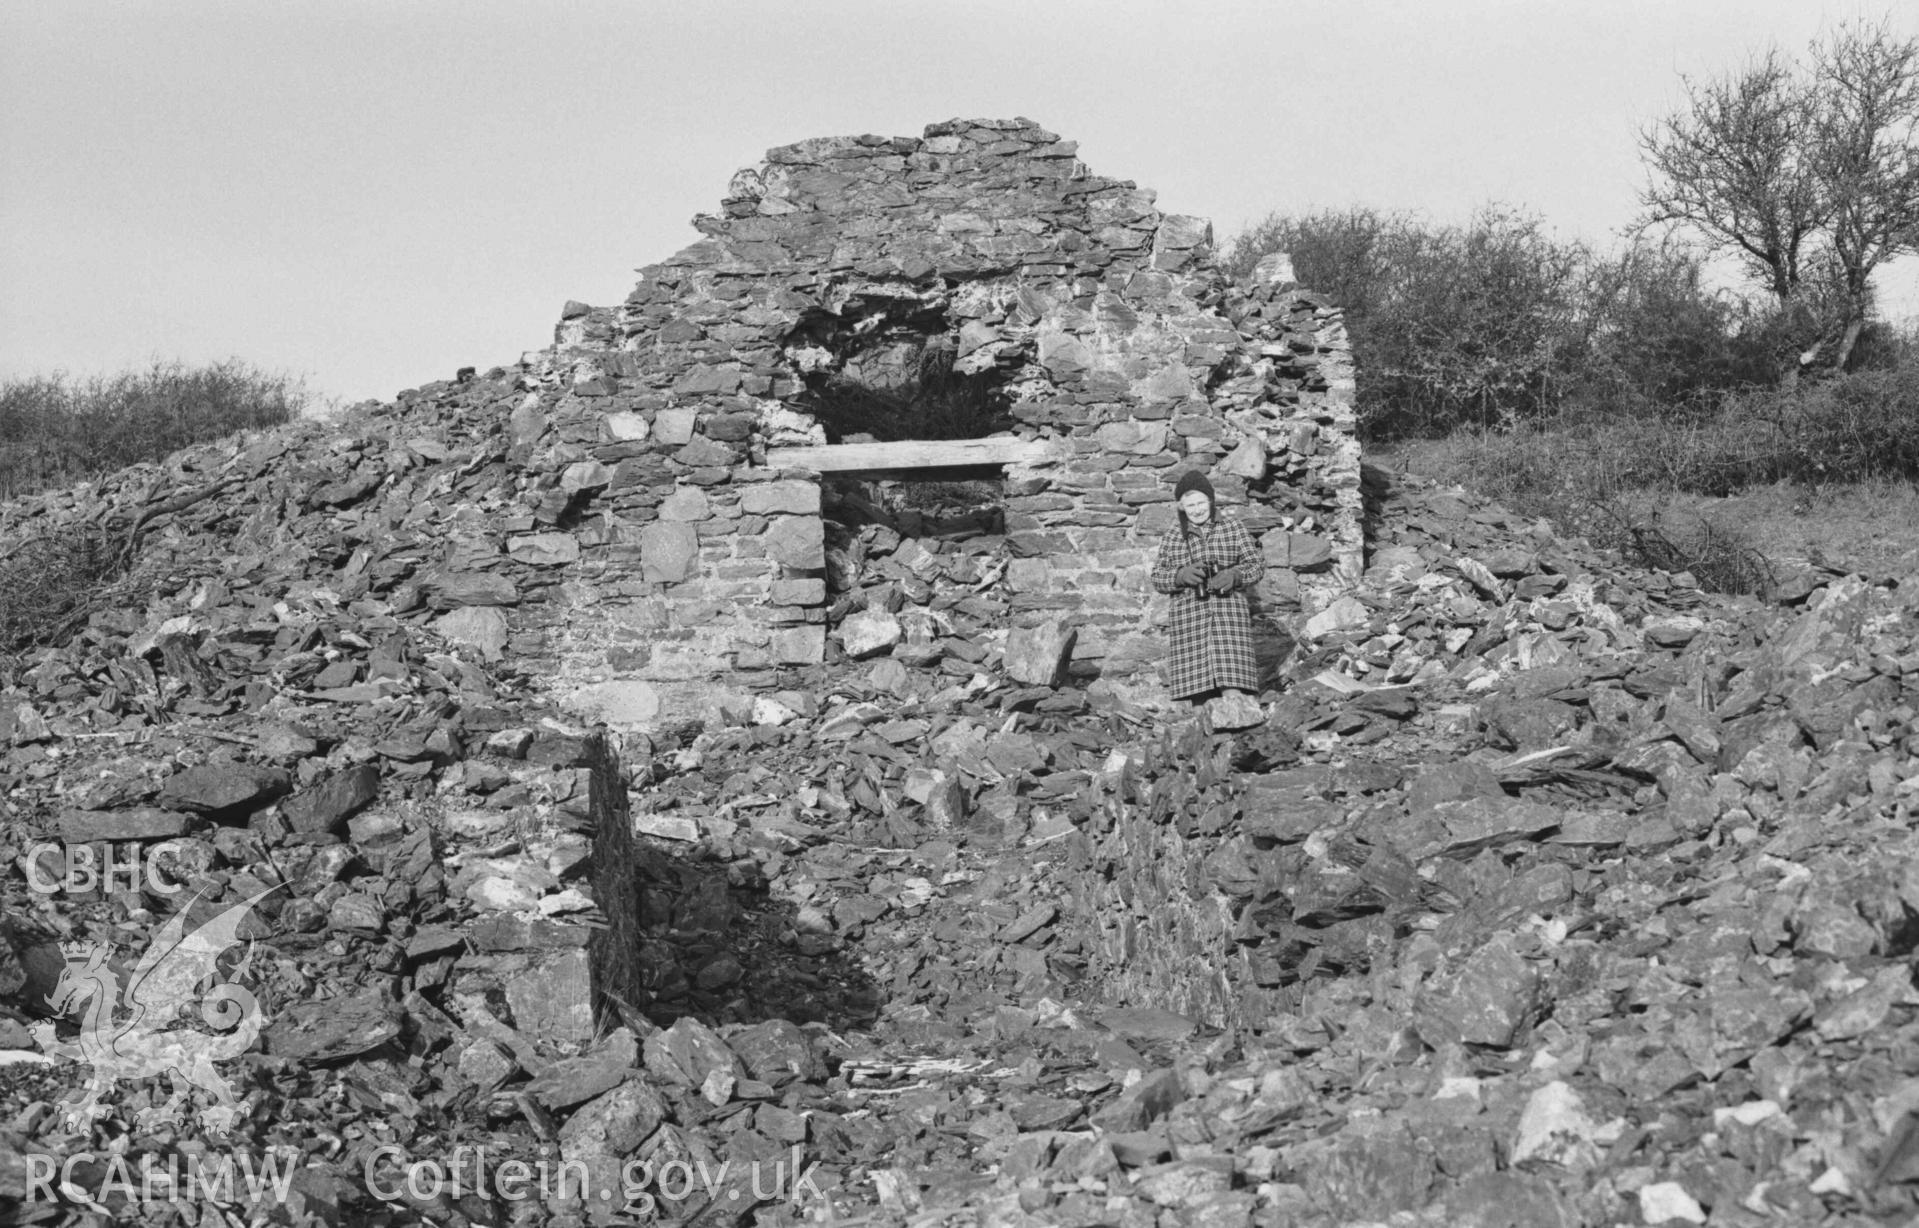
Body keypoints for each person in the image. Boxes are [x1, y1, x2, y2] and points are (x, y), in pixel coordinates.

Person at [1150, 469, 1264, 706]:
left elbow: (1256, 565)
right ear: (1181, 507)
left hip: (1229, 616)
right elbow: (1158, 577)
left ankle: (1240, 727)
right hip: (1189, 620)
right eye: (1190, 505)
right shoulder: (1173, 535)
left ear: (1211, 501)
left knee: (1233, 687)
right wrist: (1180, 576)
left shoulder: (1233, 527)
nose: (1197, 509)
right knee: (1199, 695)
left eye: (1201, 502)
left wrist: (1234, 575)